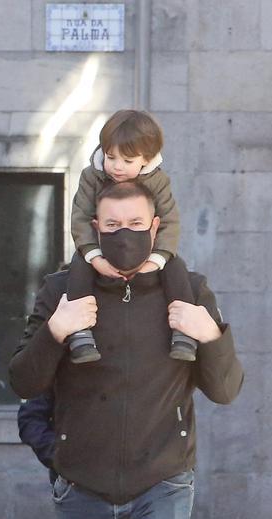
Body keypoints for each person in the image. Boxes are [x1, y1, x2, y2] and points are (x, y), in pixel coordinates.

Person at [9, 180, 244, 519]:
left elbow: (225, 390)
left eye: (136, 225)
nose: (125, 236)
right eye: (112, 226)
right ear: (95, 228)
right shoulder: (60, 290)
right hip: (82, 485)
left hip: (162, 481)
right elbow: (24, 381)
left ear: (156, 226)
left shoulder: (190, 290)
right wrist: (57, 330)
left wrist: (212, 335)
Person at [64, 109, 198, 364]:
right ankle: (80, 333)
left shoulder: (157, 182)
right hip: (100, 246)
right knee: (78, 269)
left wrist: (155, 260)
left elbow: (169, 221)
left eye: (127, 161)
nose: (116, 167)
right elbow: (80, 217)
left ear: (145, 159)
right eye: (110, 157)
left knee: (176, 267)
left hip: (145, 250)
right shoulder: (91, 176)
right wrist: (94, 256)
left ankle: (183, 332)